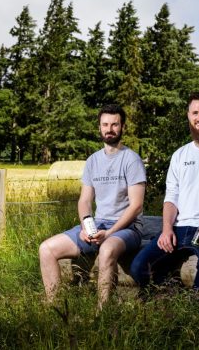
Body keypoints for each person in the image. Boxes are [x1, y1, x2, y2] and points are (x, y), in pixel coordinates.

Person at [130, 92, 199, 293]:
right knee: (138, 266)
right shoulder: (179, 155)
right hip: (179, 228)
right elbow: (171, 198)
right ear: (188, 116)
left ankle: (198, 309)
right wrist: (166, 229)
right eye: (195, 113)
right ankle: (166, 297)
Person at [39, 104, 147, 308]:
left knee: (106, 249)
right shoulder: (92, 161)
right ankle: (55, 309)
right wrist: (86, 228)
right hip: (99, 224)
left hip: (127, 228)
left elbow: (136, 206)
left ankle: (101, 311)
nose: (110, 129)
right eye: (105, 124)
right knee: (46, 249)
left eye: (115, 124)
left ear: (122, 127)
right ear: (99, 127)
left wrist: (109, 233)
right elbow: (85, 201)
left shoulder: (131, 159)